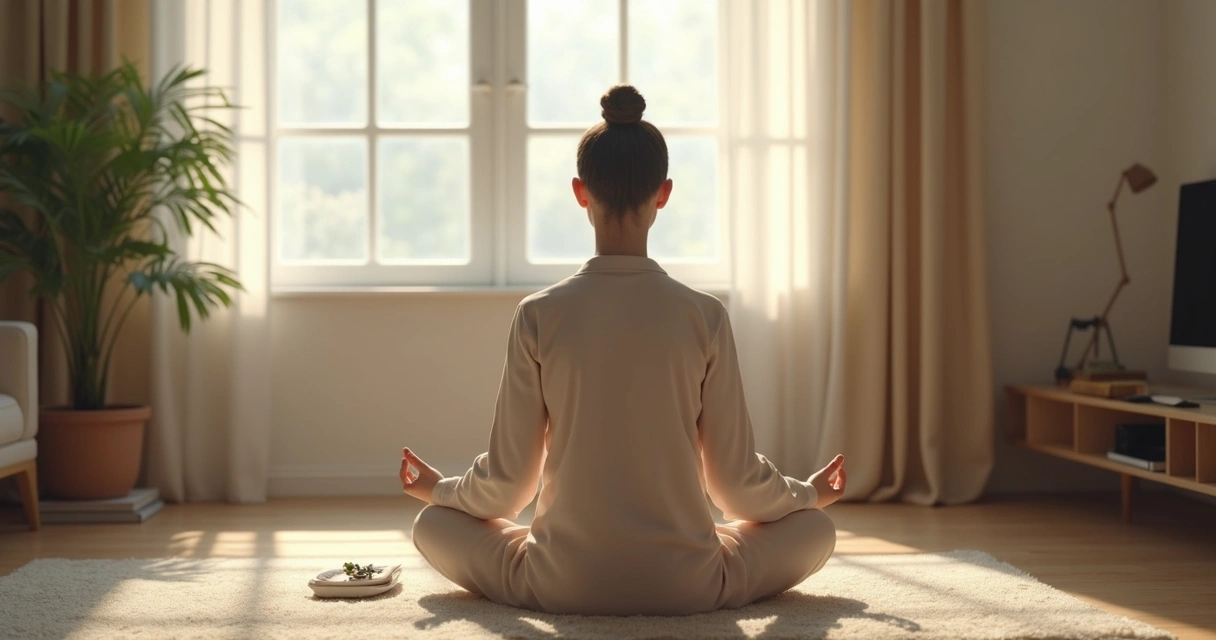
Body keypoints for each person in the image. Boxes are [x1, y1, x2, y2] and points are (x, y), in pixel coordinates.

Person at [400, 84, 846, 616]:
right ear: (664, 193)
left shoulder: (538, 313)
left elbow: (504, 489)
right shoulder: (704, 316)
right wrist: (809, 494)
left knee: (433, 523)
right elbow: (738, 488)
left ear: (579, 192)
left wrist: (439, 490)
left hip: (559, 586)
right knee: (815, 528)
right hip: (691, 587)